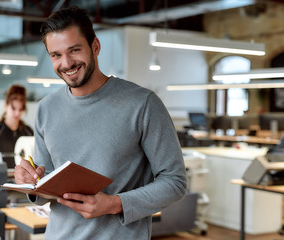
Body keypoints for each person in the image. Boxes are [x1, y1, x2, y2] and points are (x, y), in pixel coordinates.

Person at [14, 6, 187, 239]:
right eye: (56, 55)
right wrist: (31, 182)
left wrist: (114, 204)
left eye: (74, 50)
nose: (66, 63)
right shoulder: (46, 108)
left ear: (95, 46)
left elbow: (175, 182)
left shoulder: (143, 104)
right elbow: (47, 183)